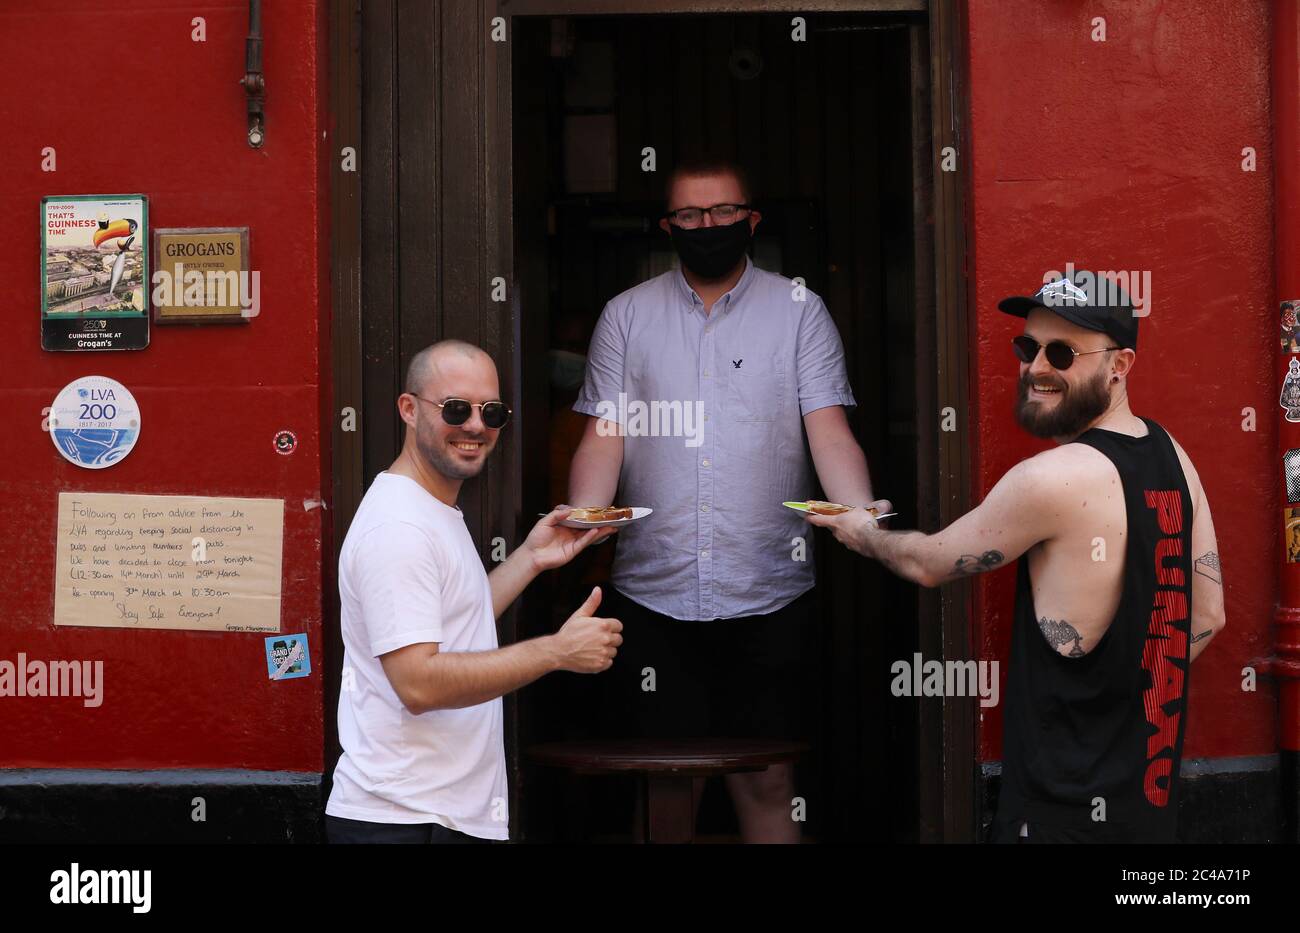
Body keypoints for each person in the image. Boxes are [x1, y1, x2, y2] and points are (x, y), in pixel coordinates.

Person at [804, 270, 1226, 843]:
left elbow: (930, 562)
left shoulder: (1049, 479)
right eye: (1027, 347)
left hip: (1057, 814)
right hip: (1146, 814)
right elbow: (1205, 617)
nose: (1037, 368)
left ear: (1119, 365)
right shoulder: (1172, 456)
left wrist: (860, 529)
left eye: (1062, 352)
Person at [567, 157, 876, 843]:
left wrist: (861, 517)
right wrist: (584, 522)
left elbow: (828, 429)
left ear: (751, 219)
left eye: (723, 213)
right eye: (691, 216)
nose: (708, 226)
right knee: (666, 782)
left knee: (767, 777)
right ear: (669, 226)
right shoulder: (627, 315)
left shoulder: (800, 309)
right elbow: (604, 435)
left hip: (770, 589)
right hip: (653, 591)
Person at [326, 339, 623, 843]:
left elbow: (457, 619)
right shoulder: (399, 527)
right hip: (407, 820)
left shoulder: (428, 508)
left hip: (434, 816)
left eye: (492, 412)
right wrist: (556, 652)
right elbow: (418, 684)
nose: (476, 426)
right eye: (456, 409)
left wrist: (530, 557)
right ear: (408, 409)